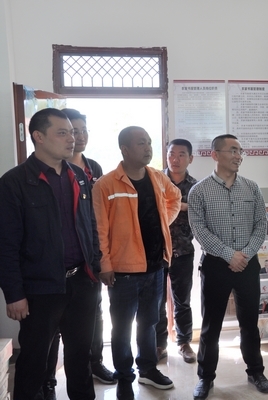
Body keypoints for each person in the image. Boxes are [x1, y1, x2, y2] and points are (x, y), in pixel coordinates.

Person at [0, 108, 100, 400]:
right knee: (34, 361)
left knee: (81, 357)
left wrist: (95, 266)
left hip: (81, 282)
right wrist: (14, 294)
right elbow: (6, 244)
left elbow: (90, 226)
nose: (72, 139)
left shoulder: (78, 176)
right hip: (40, 288)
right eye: (63, 133)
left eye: (73, 132)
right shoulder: (14, 182)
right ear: (39, 137)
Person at [92, 126, 181, 400]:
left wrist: (163, 222)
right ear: (125, 149)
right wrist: (105, 264)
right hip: (123, 271)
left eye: (149, 142)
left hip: (155, 266)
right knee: (122, 327)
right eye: (141, 143)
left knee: (150, 322)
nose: (148, 147)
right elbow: (99, 229)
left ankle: (148, 369)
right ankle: (124, 376)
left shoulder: (157, 177)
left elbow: (175, 198)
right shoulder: (105, 184)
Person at [188, 134, 268, 400]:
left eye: (240, 151)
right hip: (215, 265)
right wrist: (228, 255)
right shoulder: (199, 191)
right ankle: (205, 378)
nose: (238, 156)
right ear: (215, 155)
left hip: (247, 264)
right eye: (232, 150)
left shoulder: (252, 188)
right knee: (211, 327)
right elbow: (199, 230)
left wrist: (244, 255)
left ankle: (256, 371)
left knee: (250, 324)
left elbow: (261, 224)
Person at [41, 108, 114, 400]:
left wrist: (97, 262)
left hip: (84, 270)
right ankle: (47, 380)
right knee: (46, 338)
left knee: (87, 332)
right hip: (47, 277)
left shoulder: (89, 170)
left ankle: (94, 366)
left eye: (80, 131)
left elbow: (95, 219)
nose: (76, 137)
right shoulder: (29, 177)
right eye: (69, 131)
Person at [156, 138, 198, 364]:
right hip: (157, 250)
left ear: (190, 158)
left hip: (183, 250)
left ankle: (184, 342)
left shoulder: (196, 186)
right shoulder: (155, 180)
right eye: (172, 154)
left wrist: (180, 205)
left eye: (181, 154)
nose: (175, 159)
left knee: (182, 300)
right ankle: (159, 344)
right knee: (157, 301)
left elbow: (202, 212)